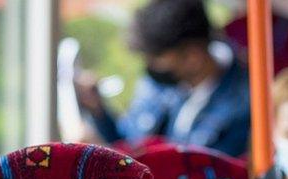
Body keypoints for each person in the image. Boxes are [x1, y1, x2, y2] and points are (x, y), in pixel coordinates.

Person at [75, 0, 251, 157]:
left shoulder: (244, 105)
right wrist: (98, 112)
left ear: (192, 57)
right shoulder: (160, 84)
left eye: (156, 59)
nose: (150, 67)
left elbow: (206, 178)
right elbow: (130, 141)